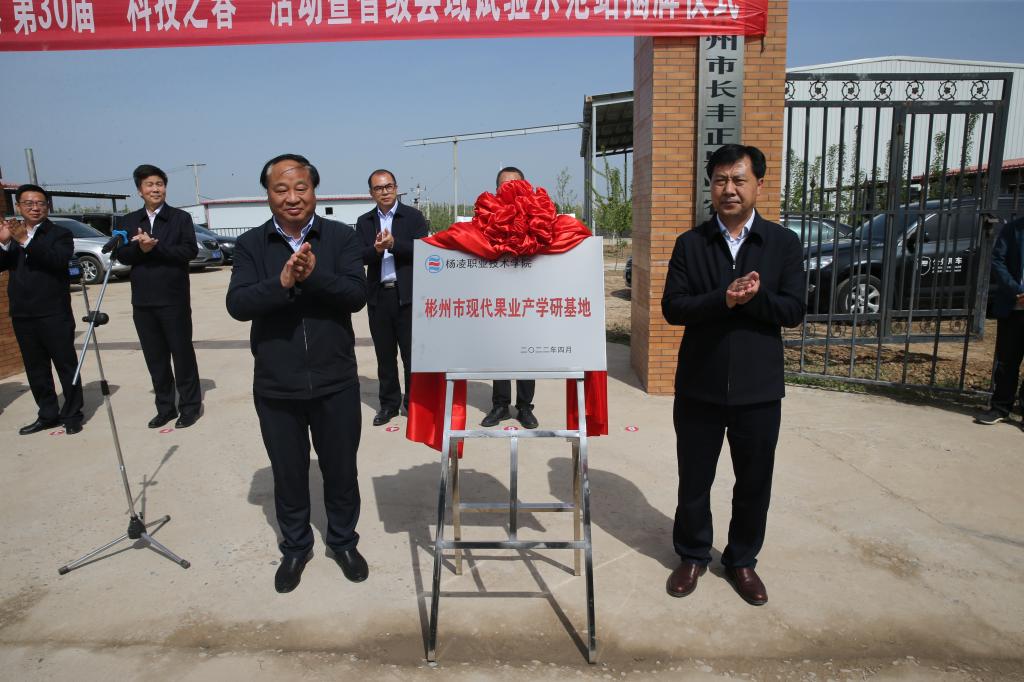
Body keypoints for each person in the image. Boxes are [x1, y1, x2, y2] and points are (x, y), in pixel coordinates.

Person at [661, 144, 805, 606]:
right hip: (699, 386)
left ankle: (742, 560)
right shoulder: (691, 244)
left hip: (758, 389)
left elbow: (794, 310)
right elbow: (673, 307)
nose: (729, 189)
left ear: (759, 184)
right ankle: (692, 555)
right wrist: (723, 298)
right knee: (694, 480)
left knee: (754, 482)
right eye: (720, 180)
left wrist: (754, 299)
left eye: (739, 180)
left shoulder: (782, 243)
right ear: (711, 186)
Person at [226, 154, 368, 593]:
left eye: (300, 188)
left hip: (335, 380)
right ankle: (295, 547)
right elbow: (238, 304)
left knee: (341, 469)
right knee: (288, 473)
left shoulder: (341, 237)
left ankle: (342, 541)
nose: (292, 197)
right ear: (268, 194)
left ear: (314, 190)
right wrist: (282, 283)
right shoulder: (251, 244)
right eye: (281, 189)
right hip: (277, 384)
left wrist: (315, 275)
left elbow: (356, 295)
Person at [115, 165, 202, 429]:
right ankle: (165, 408)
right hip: (143, 301)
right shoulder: (129, 221)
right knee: (155, 358)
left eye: (159, 184)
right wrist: (140, 250)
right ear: (139, 191)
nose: (155, 189)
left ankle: (190, 407)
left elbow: (188, 251)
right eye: (149, 185)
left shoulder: (180, 218)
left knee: (182, 354)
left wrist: (155, 247)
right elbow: (122, 255)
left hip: (173, 299)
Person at [0, 184, 84, 435]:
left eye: (40, 203)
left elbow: (57, 261)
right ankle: (47, 414)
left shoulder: (60, 234)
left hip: (53, 311)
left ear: (47, 206)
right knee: (36, 368)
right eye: (28, 203)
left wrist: (25, 241)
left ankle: (73, 413)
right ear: (18, 207)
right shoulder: (12, 234)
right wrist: (4, 243)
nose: (35, 208)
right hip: (23, 313)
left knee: (65, 364)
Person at [356, 169, 428, 426]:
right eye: (378, 188)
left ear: (396, 188)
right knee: (385, 356)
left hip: (407, 295)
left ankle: (413, 403)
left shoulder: (413, 217)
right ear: (371, 193)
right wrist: (376, 249)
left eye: (388, 186)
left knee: (411, 355)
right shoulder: (364, 222)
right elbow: (358, 256)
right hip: (379, 296)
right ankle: (388, 404)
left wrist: (394, 244)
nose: (384, 192)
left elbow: (424, 251)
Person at [479, 166, 539, 430]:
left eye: (516, 185)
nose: (511, 190)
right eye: (505, 186)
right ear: (496, 190)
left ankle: (524, 406)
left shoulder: (539, 214)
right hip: (498, 297)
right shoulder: (486, 217)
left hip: (529, 297)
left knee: (527, 352)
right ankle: (500, 405)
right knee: (500, 350)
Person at [975, 215, 1024, 428]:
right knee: (1007, 361)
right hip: (1014, 307)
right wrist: (1017, 291)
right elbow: (997, 261)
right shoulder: (1013, 229)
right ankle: (1001, 407)